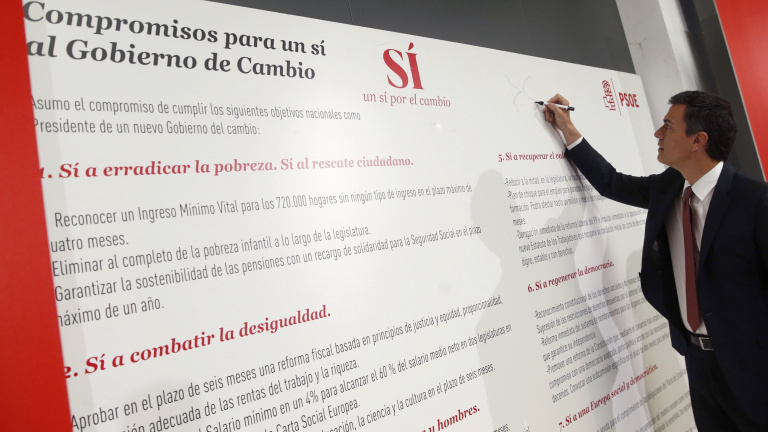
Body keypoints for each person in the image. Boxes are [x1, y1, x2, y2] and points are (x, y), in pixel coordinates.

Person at [543, 91, 768, 431]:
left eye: (668, 126)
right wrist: (568, 130)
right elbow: (611, 182)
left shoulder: (756, 201)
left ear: (698, 140)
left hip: (753, 365)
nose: (657, 134)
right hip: (698, 359)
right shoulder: (670, 187)